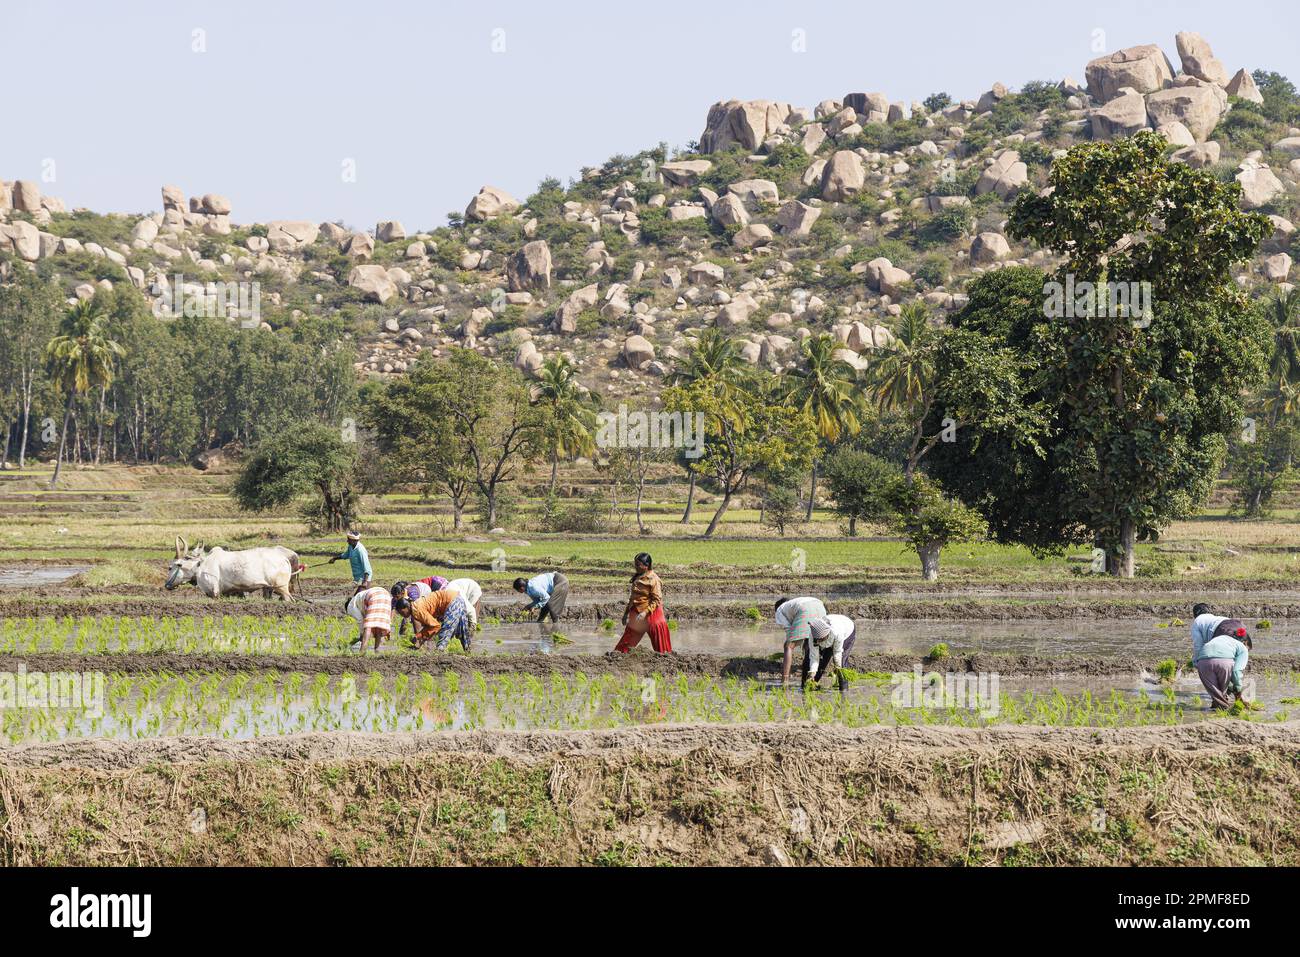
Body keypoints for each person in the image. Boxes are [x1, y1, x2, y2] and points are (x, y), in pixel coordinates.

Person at [614, 553, 671, 654]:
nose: (636, 567)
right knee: (625, 644)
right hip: (637, 615)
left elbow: (656, 600)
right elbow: (632, 598)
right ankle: (617, 657)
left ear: (646, 565)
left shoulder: (654, 579)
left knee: (662, 650)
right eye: (635, 564)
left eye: (638, 565)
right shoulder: (639, 577)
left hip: (652, 615)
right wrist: (626, 614)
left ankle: (665, 664)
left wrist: (645, 613)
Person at [1194, 617, 1252, 710]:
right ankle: (1227, 713)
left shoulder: (1222, 639)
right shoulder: (1242, 647)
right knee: (1222, 693)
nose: (1247, 652)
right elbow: (1236, 671)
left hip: (1202, 662)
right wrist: (1238, 692)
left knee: (1216, 694)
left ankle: (1217, 707)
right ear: (1245, 642)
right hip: (1224, 662)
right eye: (1248, 649)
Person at [398, 586, 471, 651]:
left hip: (452, 601)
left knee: (446, 630)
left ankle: (439, 653)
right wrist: (418, 644)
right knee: (462, 629)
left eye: (402, 612)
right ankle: (468, 652)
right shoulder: (416, 605)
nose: (402, 615)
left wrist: (418, 636)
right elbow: (429, 626)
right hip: (457, 598)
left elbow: (436, 626)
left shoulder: (417, 610)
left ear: (406, 607)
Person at [774, 596, 827, 685]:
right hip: (820, 606)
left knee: (788, 646)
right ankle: (810, 676)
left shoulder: (779, 610)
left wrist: (790, 642)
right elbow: (805, 634)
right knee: (810, 643)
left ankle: (785, 679)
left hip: (805, 609)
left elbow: (788, 629)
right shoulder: (793, 604)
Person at [803, 613, 857, 691]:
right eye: (817, 640)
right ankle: (812, 685)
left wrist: (837, 666)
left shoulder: (837, 633)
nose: (819, 642)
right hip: (830, 636)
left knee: (841, 663)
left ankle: (843, 689)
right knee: (823, 660)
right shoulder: (813, 637)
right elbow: (814, 657)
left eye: (821, 639)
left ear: (827, 634)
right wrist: (812, 672)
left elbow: (837, 652)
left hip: (847, 630)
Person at [345, 585, 392, 653]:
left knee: (368, 626)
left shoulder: (350, 607)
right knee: (379, 625)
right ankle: (377, 650)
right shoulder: (357, 599)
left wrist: (362, 635)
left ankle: (362, 651)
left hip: (373, 596)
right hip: (386, 595)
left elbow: (360, 620)